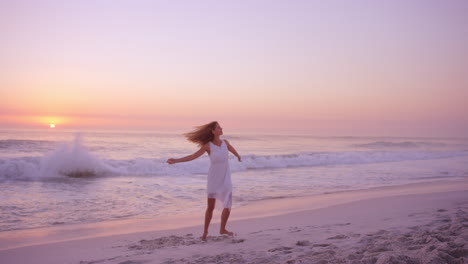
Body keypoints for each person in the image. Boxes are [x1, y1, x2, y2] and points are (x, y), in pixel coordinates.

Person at [166, 121, 241, 240]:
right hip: (213, 178)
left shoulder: (225, 143)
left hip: (226, 178)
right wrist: (176, 160)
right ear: (213, 131)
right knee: (210, 207)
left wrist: (238, 156)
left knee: (228, 203)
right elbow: (192, 156)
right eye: (218, 127)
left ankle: (222, 229)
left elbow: (232, 149)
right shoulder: (208, 146)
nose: (221, 128)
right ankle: (205, 232)